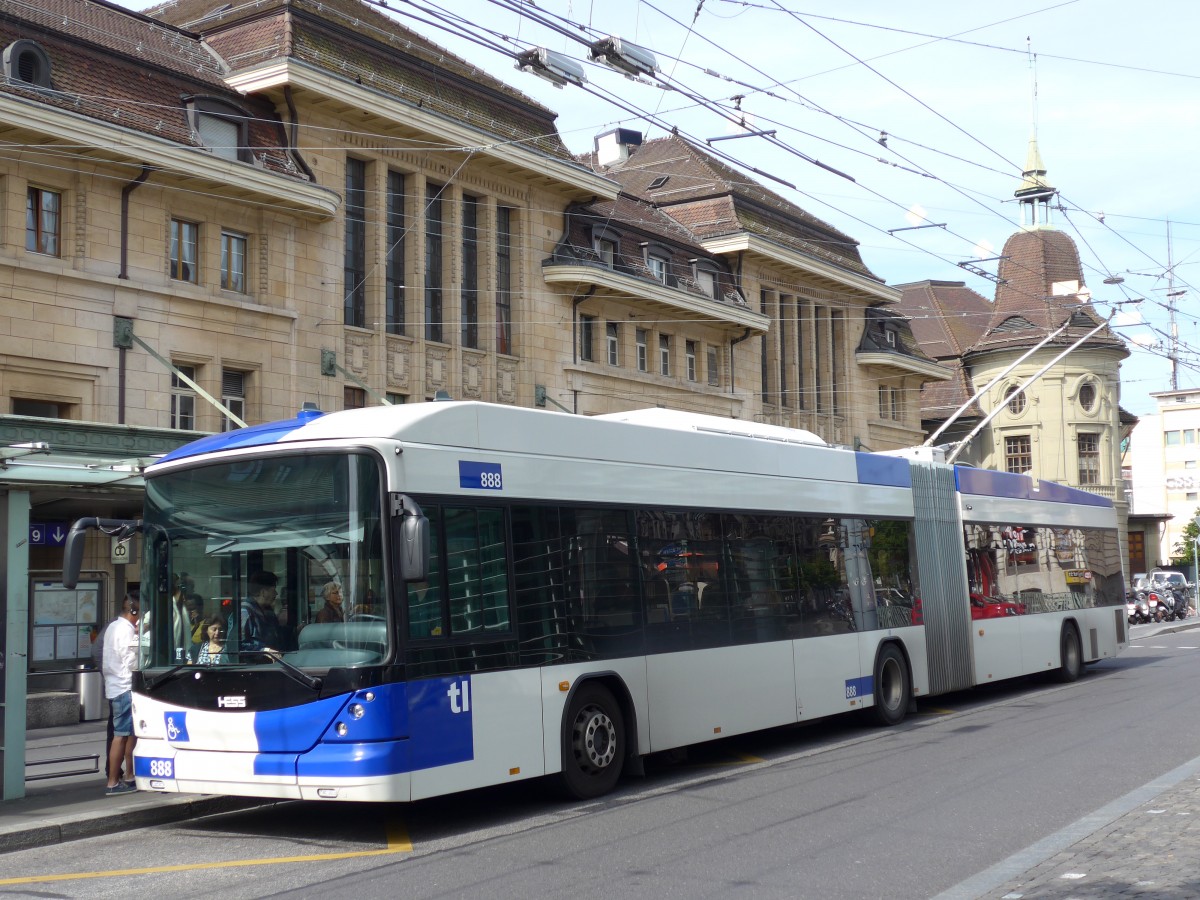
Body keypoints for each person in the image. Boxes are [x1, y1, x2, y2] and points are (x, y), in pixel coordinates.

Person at [102, 592, 139, 795]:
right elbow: (131, 661)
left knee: (127, 734)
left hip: (114, 686)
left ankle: (128, 776)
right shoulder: (125, 631)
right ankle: (113, 781)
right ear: (133, 611)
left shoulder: (113, 627)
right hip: (124, 687)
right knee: (121, 735)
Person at [232, 570, 284, 654]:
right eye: (273, 590)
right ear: (263, 592)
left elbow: (276, 634)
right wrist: (263, 651)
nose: (276, 594)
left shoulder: (269, 612)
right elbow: (238, 646)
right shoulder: (245, 612)